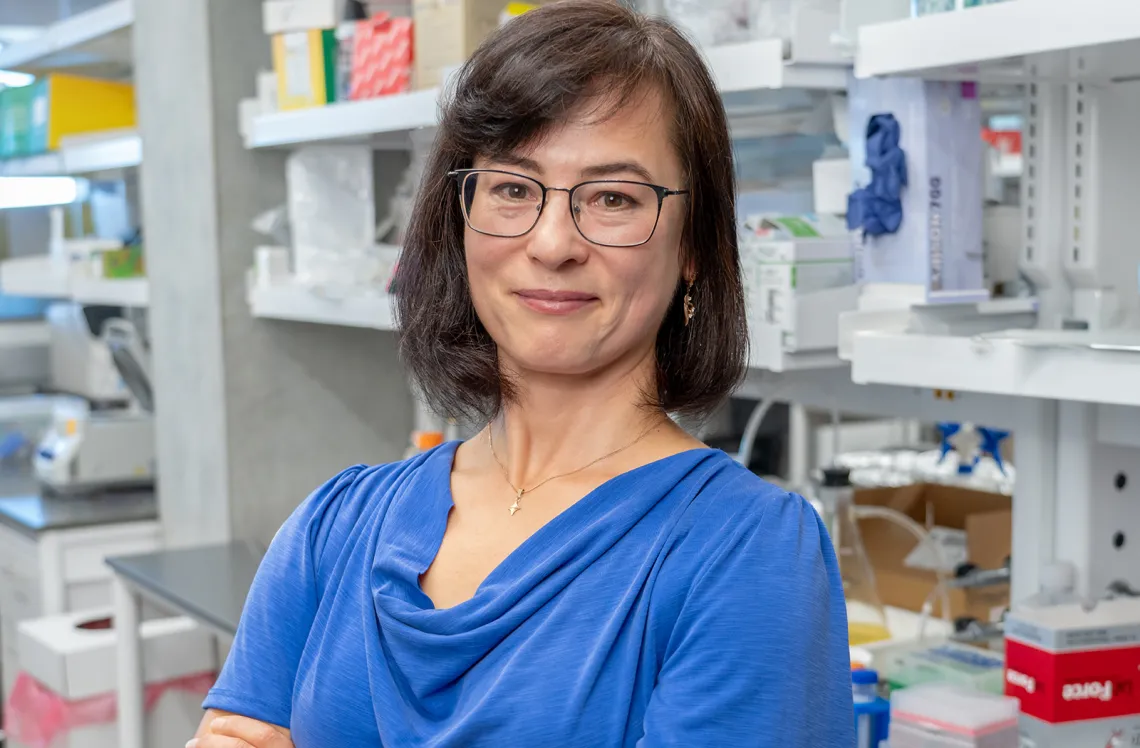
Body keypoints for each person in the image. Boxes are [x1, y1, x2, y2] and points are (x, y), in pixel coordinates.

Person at [190, 2, 853, 746]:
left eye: (613, 198)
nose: (552, 242)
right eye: (512, 188)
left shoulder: (744, 555)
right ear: (461, 216)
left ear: (693, 245)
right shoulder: (335, 526)